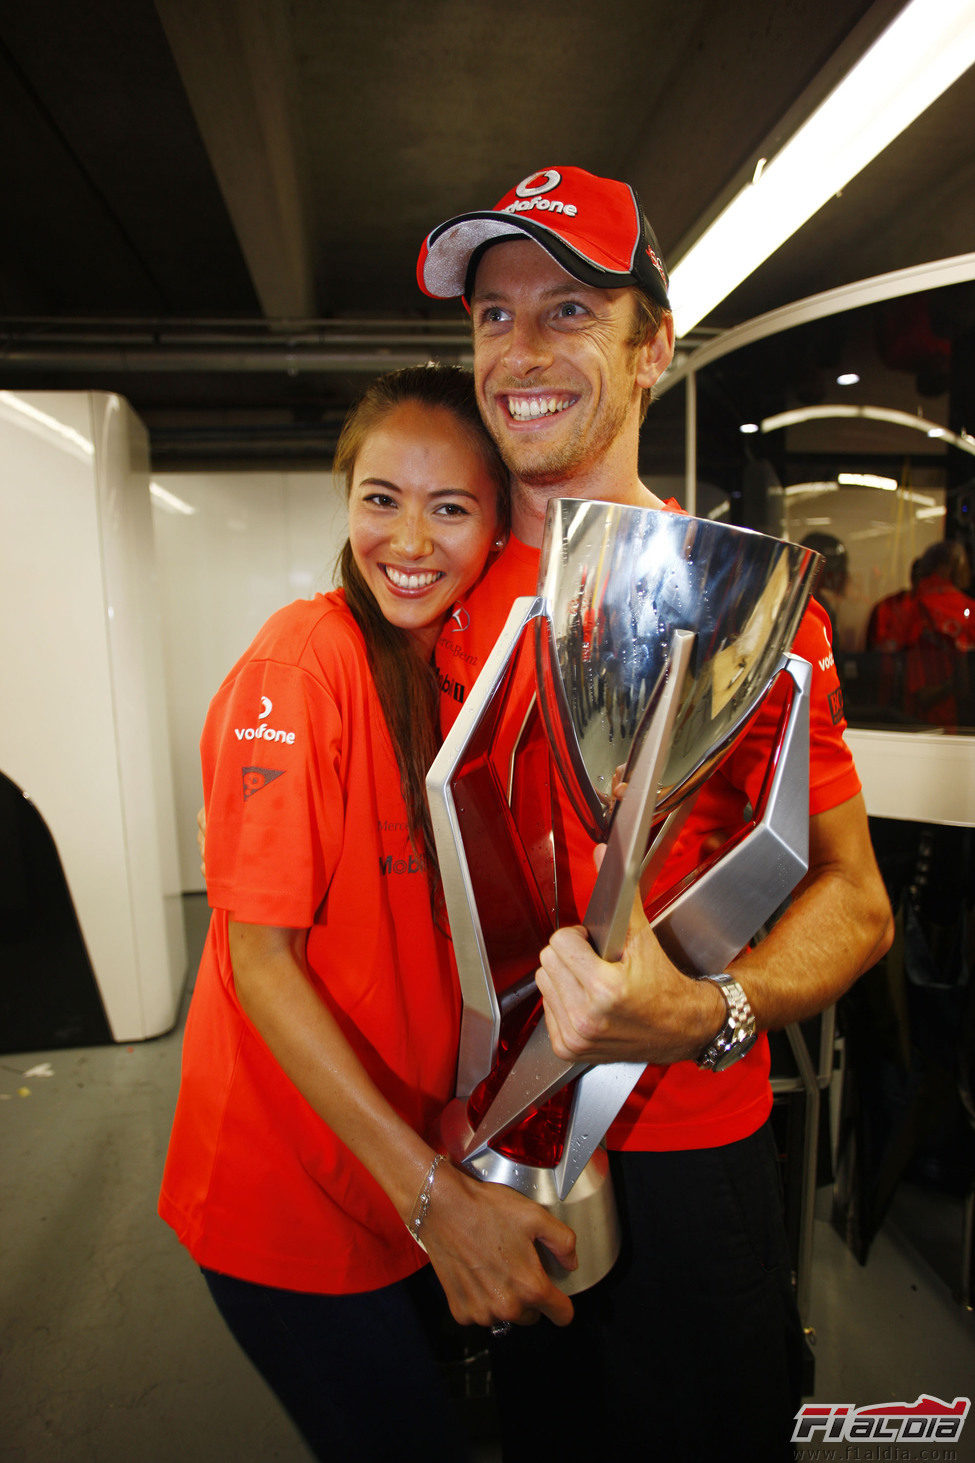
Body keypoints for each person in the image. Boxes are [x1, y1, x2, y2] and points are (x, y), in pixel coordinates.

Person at [415, 166, 894, 1461]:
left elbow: (852, 897)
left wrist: (707, 1008)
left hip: (689, 1149)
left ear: (651, 348)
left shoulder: (747, 605)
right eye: (490, 315)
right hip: (487, 1152)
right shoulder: (419, 587)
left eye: (566, 308)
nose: (517, 350)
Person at [159, 365, 579, 1463]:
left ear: (497, 526)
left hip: (382, 1173)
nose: (410, 538)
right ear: (345, 501)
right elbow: (260, 962)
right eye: (381, 497)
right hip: (286, 1197)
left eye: (450, 507)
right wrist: (438, 1196)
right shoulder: (305, 665)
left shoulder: (435, 666)